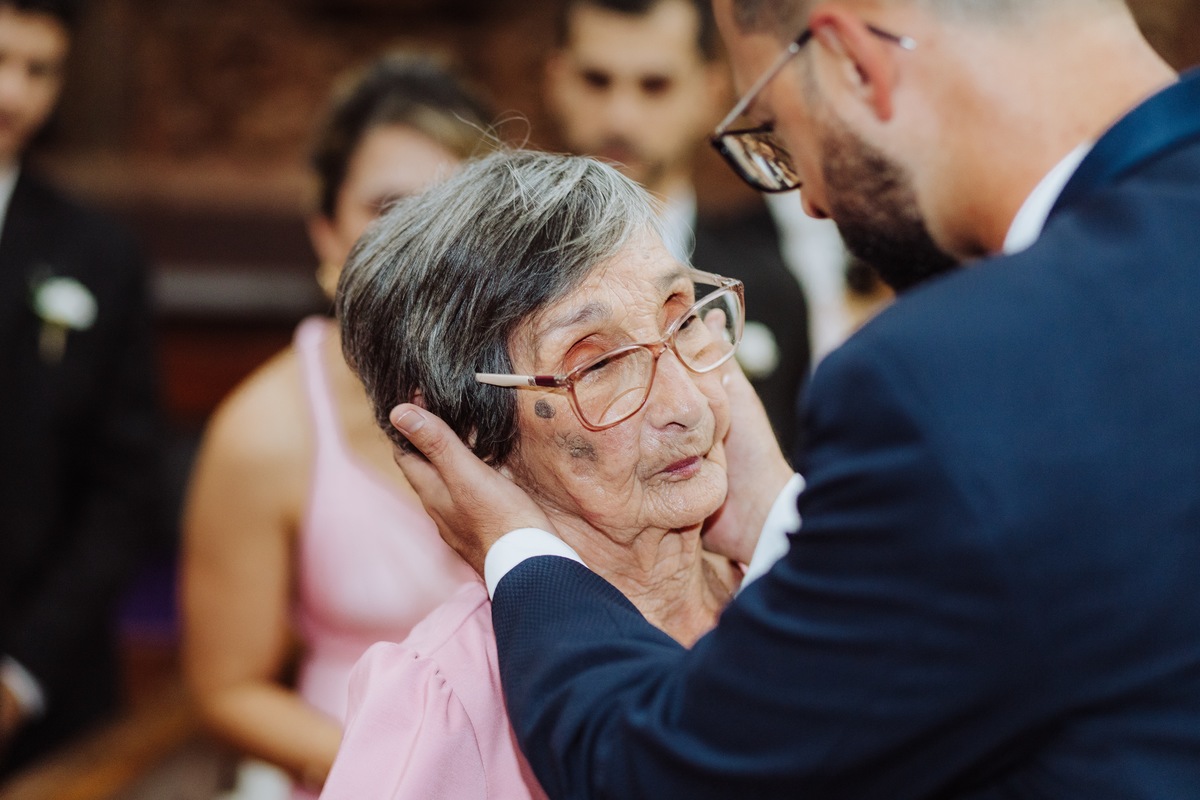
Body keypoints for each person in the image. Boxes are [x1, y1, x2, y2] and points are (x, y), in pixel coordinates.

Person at [383, 0, 1200, 797]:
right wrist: (777, 510)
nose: (808, 199)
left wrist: (519, 551)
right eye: (600, 364)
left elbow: (664, 772)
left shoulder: (958, 376)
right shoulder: (441, 689)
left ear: (852, 63)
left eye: (771, 129)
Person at [321, 150, 751, 799]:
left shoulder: (792, 589)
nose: (687, 407)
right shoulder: (446, 699)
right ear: (466, 434)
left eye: (682, 319)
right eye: (597, 366)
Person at [180, 53, 489, 797]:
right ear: (325, 234)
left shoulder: (543, 389)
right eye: (388, 208)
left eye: (449, 209)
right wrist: (394, 767)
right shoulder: (266, 432)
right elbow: (228, 689)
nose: (421, 239)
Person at [0, 0, 162, 778]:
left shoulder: (97, 253)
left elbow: (123, 487)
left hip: (48, 693)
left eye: (40, 70)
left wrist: (20, 675)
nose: (14, 95)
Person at [546, 0, 812, 448]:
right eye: (596, 80)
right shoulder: (493, 280)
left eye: (655, 86)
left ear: (711, 92)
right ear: (555, 80)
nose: (620, 117)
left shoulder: (770, 291)